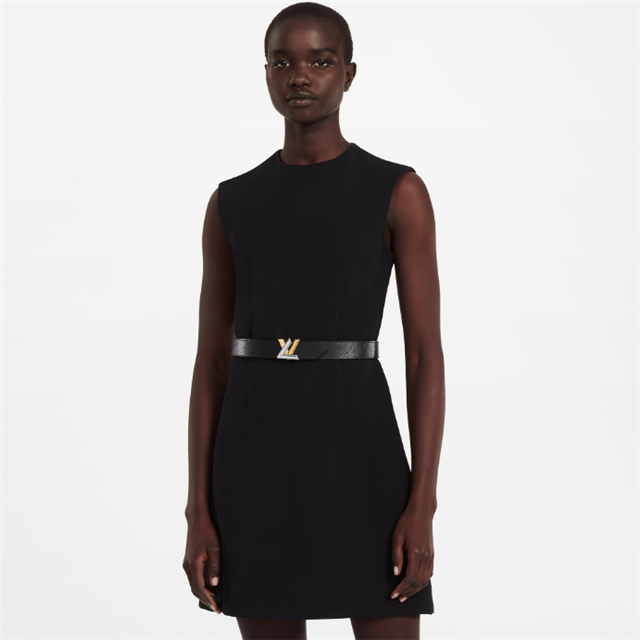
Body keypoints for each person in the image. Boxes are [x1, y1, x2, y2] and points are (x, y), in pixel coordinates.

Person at [182, 3, 445, 639]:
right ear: (266, 74)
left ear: (349, 74)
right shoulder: (231, 202)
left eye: (320, 61)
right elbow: (212, 365)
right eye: (282, 62)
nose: (299, 76)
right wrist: (198, 511)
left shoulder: (397, 190)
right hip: (253, 463)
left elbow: (423, 357)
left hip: (363, 458)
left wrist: (422, 504)